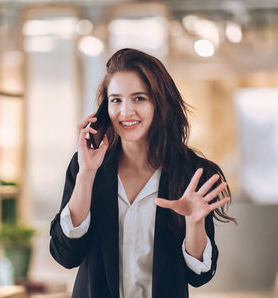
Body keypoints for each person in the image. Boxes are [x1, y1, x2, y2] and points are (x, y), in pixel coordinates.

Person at [50, 48, 236, 298]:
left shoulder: (191, 173)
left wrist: (194, 224)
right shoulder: (86, 165)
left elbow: (199, 275)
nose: (126, 112)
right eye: (116, 100)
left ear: (160, 103)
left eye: (139, 98)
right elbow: (66, 255)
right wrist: (86, 174)